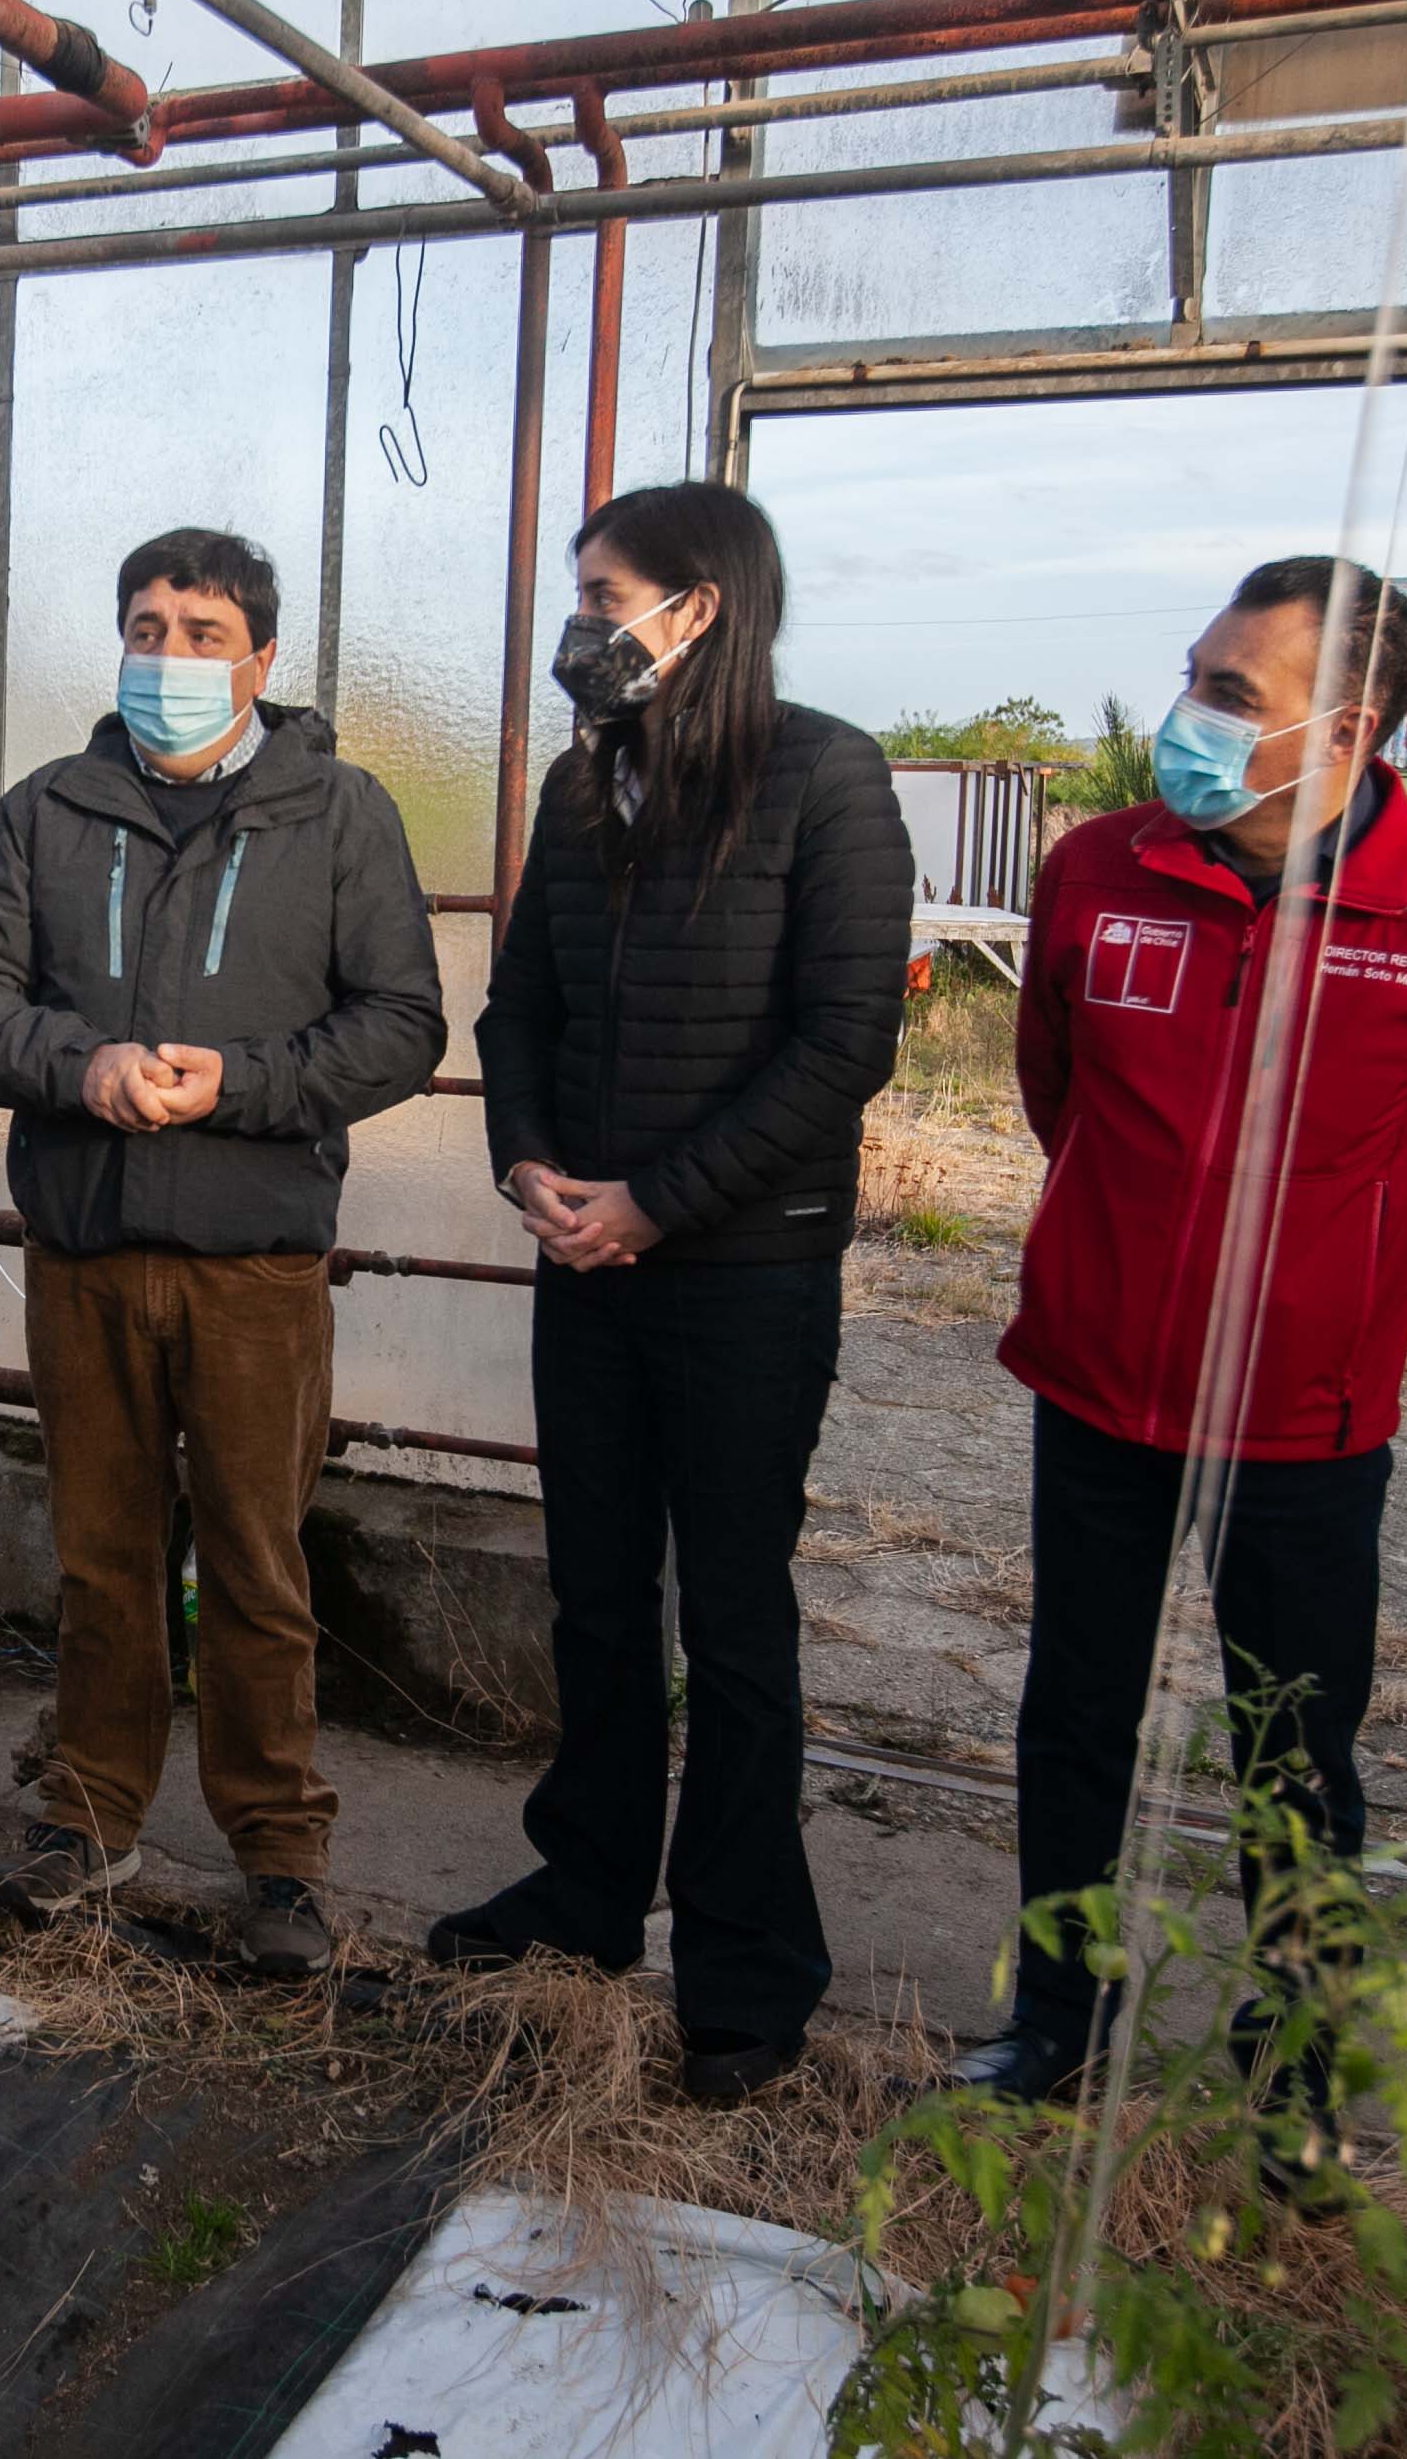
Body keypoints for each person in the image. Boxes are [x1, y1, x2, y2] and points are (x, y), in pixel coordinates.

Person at [933, 556, 1407, 2106]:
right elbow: (1055, 1086)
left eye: (1232, 694)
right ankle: (1055, 2020)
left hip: (1304, 1416)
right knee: (1071, 1716)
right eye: (1194, 675)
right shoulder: (1097, 870)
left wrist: (1343, 1281)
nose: (1186, 717)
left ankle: (1289, 2060)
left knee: (1292, 1748)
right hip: (1095, 1383)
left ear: (1344, 730)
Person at [433, 482, 912, 2103]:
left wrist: (659, 1200)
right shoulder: (589, 791)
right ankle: (583, 1895)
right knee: (591, 1597)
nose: (578, 625)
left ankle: (745, 1971)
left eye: (602, 591)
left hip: (744, 1275)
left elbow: (845, 1040)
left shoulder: (825, 776)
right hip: (593, 1266)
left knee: (733, 1616)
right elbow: (518, 1014)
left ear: (698, 607)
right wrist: (533, 1168)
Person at [0, 527, 445, 1979]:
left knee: (258, 1560)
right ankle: (90, 1813)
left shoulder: (337, 814)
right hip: (85, 1245)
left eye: (201, 631)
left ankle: (278, 1853)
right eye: (144, 628)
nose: (168, 657)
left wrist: (241, 1081)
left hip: (250, 1259)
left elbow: (401, 1021)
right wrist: (78, 1067)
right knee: (100, 1553)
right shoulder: (51, 808)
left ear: (261, 660)